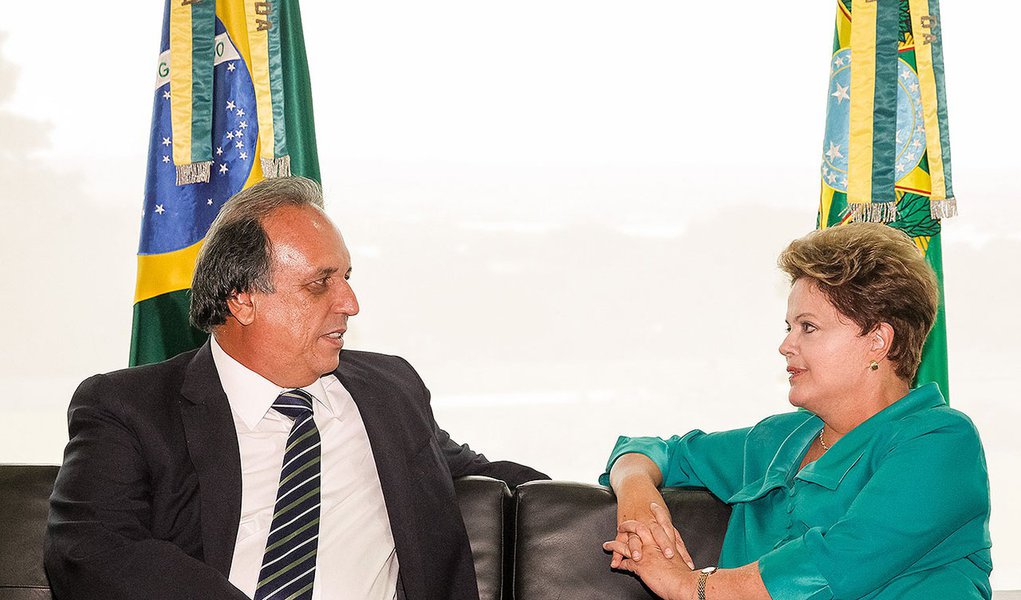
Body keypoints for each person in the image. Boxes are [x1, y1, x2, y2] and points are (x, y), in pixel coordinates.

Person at [45, 176, 548, 600]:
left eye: (347, 277)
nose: (350, 302)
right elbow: (89, 549)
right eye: (319, 283)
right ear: (242, 300)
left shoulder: (390, 391)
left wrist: (626, 473)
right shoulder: (128, 408)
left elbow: (489, 475)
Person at [600, 223, 992, 599]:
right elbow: (650, 451)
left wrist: (688, 587)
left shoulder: (941, 440)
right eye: (788, 326)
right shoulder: (778, 439)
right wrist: (638, 502)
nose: (785, 345)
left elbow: (834, 564)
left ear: (877, 341)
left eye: (808, 327)